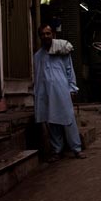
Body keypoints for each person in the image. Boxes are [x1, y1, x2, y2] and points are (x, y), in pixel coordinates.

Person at [33, 23, 86, 163]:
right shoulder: (38, 57)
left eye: (48, 33)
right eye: (43, 34)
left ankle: (77, 149)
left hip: (62, 91)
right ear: (39, 37)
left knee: (68, 120)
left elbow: (69, 70)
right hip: (46, 94)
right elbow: (38, 77)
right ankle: (57, 150)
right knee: (52, 122)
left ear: (53, 35)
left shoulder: (62, 51)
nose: (45, 36)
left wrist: (72, 88)